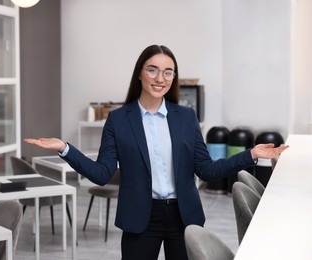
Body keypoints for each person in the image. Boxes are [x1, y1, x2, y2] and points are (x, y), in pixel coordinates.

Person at [24, 44, 289, 260]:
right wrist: (65, 149)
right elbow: (102, 174)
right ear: (139, 73)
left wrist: (251, 154)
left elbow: (206, 170)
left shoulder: (186, 117)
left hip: (184, 217)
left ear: (174, 77)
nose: (160, 78)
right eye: (152, 70)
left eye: (168, 72)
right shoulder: (118, 120)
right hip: (141, 218)